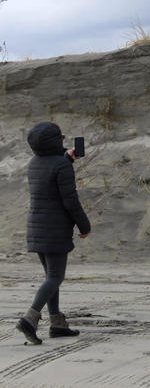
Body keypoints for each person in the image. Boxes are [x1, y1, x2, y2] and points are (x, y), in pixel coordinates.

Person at [16, 122, 91, 344]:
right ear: (55, 142)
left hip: (37, 227)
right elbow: (70, 201)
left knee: (51, 277)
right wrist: (84, 226)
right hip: (56, 228)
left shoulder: (34, 163)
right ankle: (29, 319)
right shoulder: (61, 166)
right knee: (56, 277)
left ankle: (57, 324)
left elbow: (51, 168)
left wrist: (66, 157)